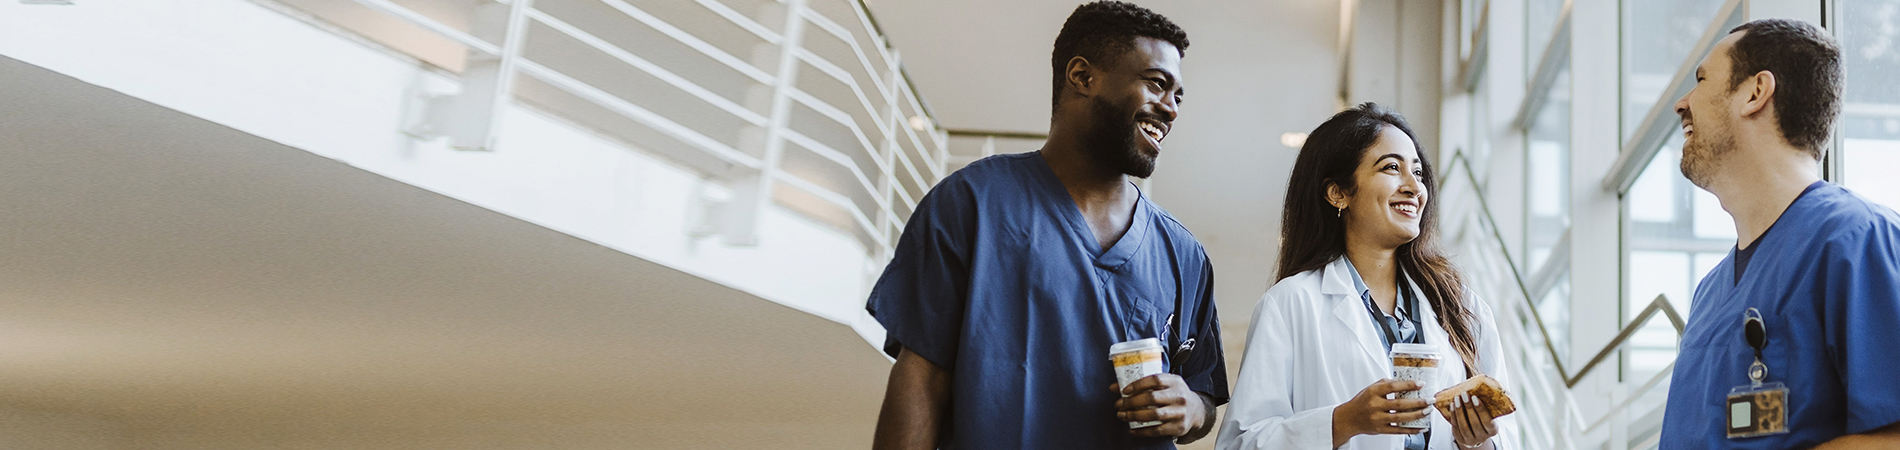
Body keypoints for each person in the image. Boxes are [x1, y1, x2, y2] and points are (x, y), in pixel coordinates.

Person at [866, 2, 1226, 449]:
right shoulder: (971, 204)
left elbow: (1203, 395)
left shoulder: (1183, 254)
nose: (1170, 109)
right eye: (1157, 84)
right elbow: (920, 382)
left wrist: (1190, 407)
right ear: (1082, 76)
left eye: (1178, 96)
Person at [1659, 18, 1900, 449]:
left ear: (1755, 93)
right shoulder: (1709, 294)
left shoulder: (1857, 239)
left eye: (1700, 80)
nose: (1681, 104)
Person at [1216, 103, 1512, 450]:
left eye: (1417, 172)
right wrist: (1345, 421)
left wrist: (1474, 443)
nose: (1414, 187)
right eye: (1391, 168)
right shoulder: (1290, 304)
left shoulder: (1461, 306)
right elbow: (1239, 444)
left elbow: (1507, 435)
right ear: (1338, 193)